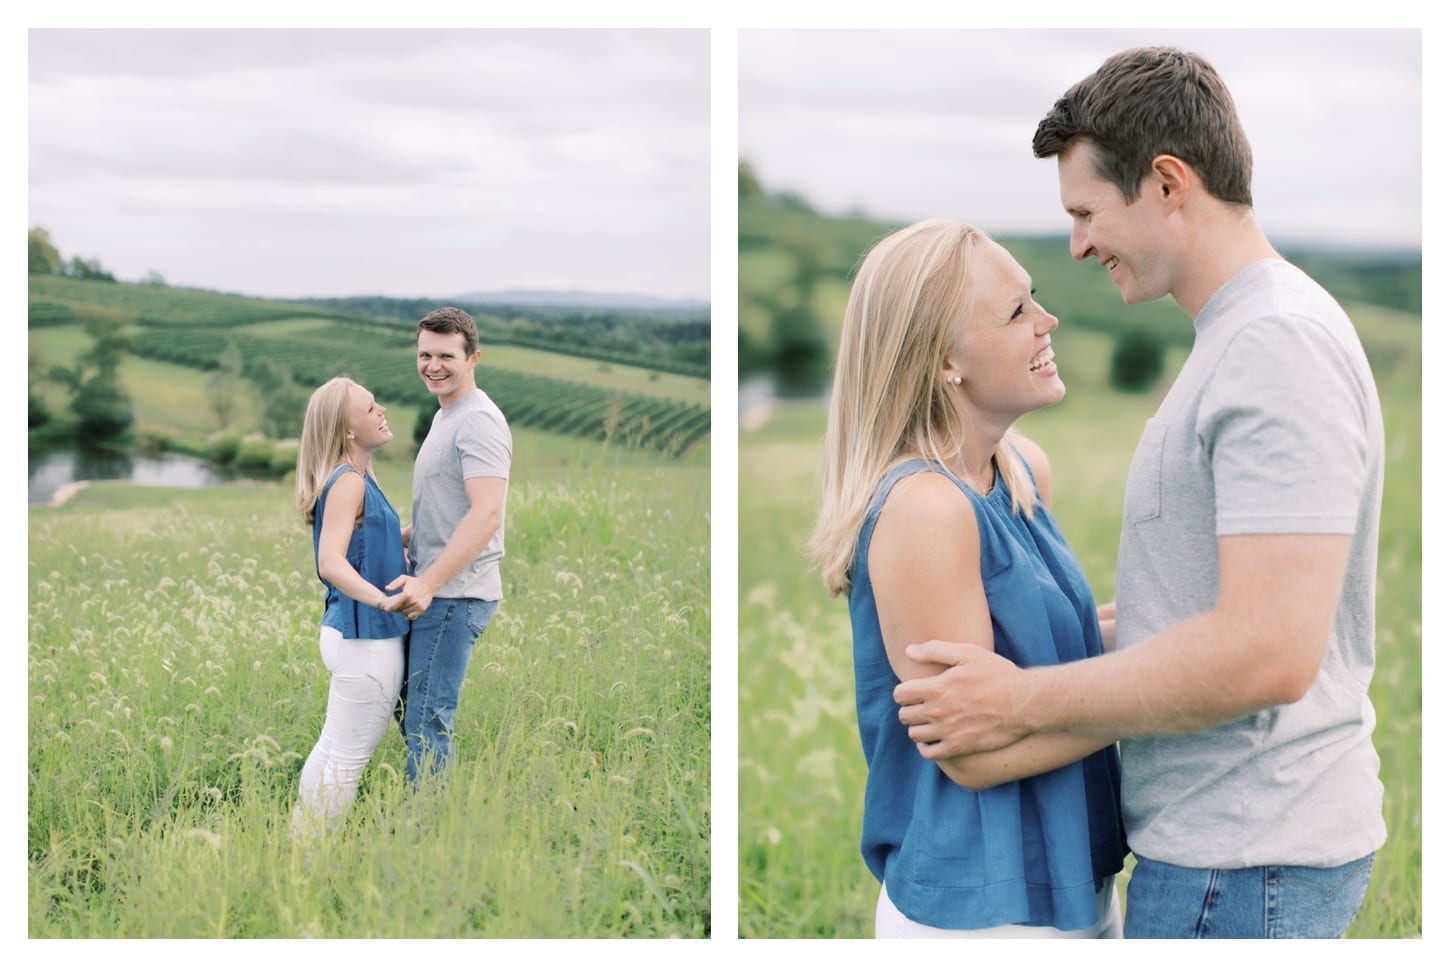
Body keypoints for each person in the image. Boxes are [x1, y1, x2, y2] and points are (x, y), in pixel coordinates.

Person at [894, 46, 1386, 939]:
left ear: (1166, 183)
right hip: (1227, 851)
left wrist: (1015, 700)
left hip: (1242, 859)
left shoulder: (1273, 346)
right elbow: (1203, 605)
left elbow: (1268, 649)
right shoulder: (1243, 335)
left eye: (1086, 210)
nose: (1079, 244)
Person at [809, 217, 1128, 938]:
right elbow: (976, 752)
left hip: (1076, 874)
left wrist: (1186, 633)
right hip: (982, 907)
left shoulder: (1019, 471)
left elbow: (1052, 654)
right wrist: (1158, 697)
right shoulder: (924, 508)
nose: (1048, 322)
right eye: (1017, 312)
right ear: (943, 361)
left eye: (1033, 298)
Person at [386, 307, 511, 785]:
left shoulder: (478, 421)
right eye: (424, 354)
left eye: (446, 355)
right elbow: (452, 509)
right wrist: (397, 537)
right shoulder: (447, 416)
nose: (433, 365)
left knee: (426, 720)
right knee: (411, 710)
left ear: (473, 357)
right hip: (439, 590)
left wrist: (428, 582)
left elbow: (485, 514)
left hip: (454, 594)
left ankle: (425, 831)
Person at [291, 376, 409, 836]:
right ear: (347, 431)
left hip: (352, 632)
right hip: (366, 636)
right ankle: (310, 861)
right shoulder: (347, 482)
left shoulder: (355, 478)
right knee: (346, 759)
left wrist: (407, 536)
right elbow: (331, 562)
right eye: (370, 406)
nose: (382, 411)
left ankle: (300, 845)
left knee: (333, 750)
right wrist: (385, 599)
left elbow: (364, 543)